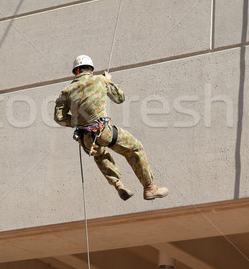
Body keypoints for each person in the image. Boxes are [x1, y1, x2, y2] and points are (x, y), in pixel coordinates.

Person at [54, 55, 169, 201]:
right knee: (135, 149)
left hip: (85, 138)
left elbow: (59, 118)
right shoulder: (100, 80)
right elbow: (120, 98)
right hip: (103, 131)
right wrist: (108, 81)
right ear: (91, 70)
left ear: (76, 71)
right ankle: (150, 188)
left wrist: (77, 122)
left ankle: (119, 186)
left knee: (100, 155)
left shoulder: (66, 91)